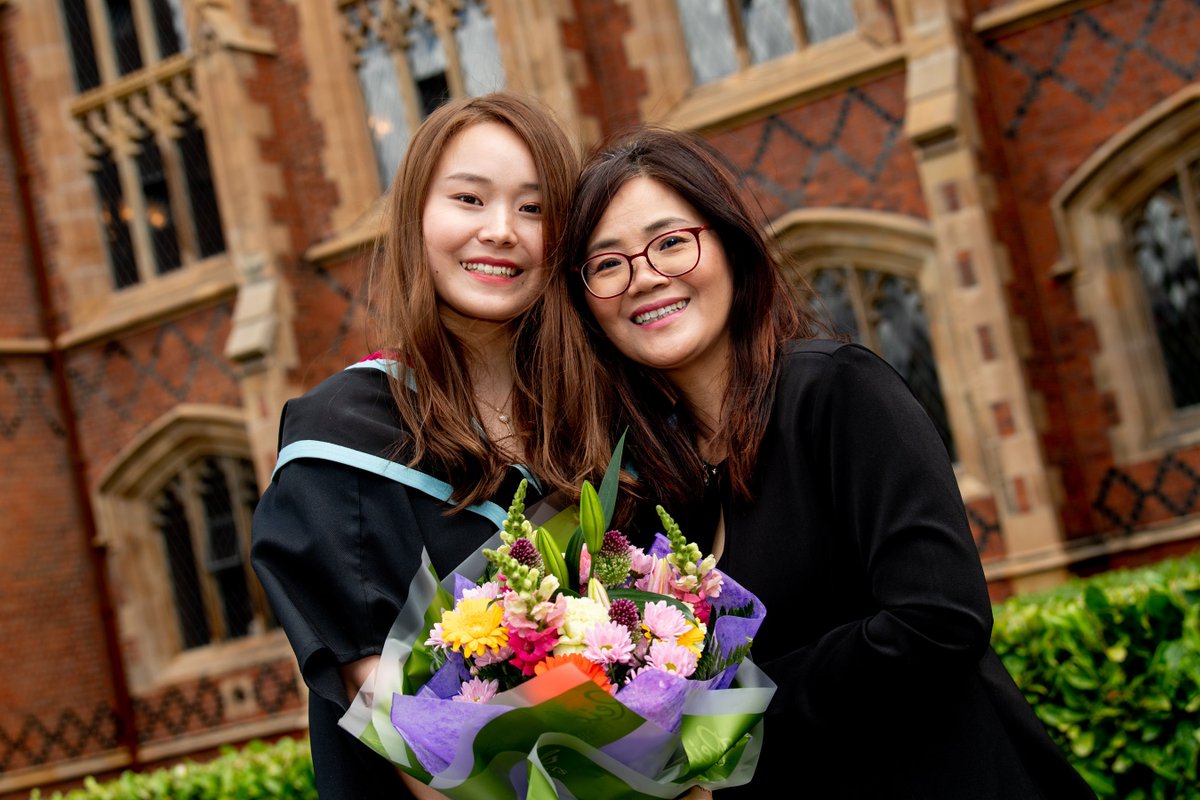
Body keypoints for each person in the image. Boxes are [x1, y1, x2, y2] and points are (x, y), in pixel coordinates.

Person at [556, 126, 1098, 799]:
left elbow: (939, 618)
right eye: (607, 264)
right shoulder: (647, 492)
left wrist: (724, 721)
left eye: (671, 242)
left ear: (730, 246)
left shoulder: (837, 392)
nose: (645, 276)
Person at [251, 92, 617, 799]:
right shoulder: (345, 441)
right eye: (469, 200)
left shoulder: (599, 427)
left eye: (535, 209)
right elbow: (409, 738)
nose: (503, 231)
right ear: (417, 216)